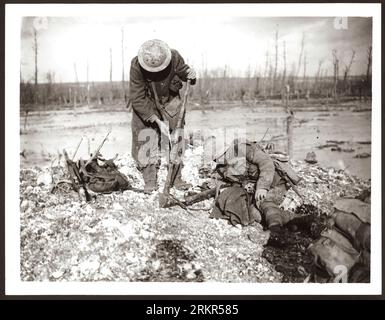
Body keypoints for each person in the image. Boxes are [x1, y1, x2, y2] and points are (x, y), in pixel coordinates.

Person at [129, 39, 196, 193]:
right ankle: (150, 179)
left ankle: (176, 177)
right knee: (146, 137)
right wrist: (157, 122)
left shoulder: (174, 57)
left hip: (170, 100)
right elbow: (137, 97)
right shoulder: (136, 65)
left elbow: (185, 73)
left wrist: (189, 74)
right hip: (146, 103)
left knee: (176, 137)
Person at [210, 138, 300, 232]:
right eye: (217, 159)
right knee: (252, 212)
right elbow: (236, 181)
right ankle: (294, 220)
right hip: (254, 187)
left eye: (222, 156)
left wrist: (262, 187)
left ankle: (275, 229)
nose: (220, 160)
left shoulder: (243, 149)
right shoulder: (221, 168)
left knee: (262, 200)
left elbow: (266, 162)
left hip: (274, 180)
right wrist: (245, 185)